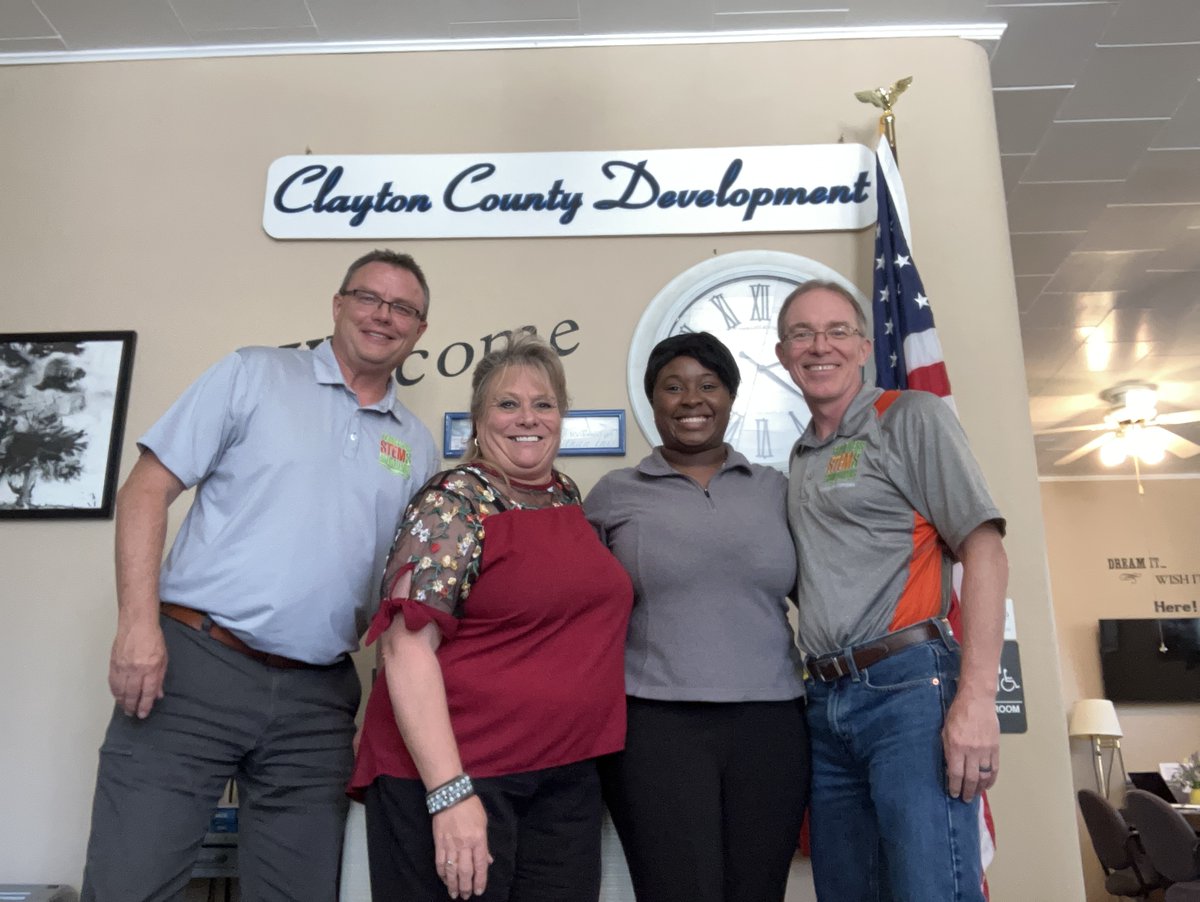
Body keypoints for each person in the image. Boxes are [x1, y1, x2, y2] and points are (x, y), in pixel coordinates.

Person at [81, 249, 438, 902]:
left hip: (318, 699)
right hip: (195, 668)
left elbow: (402, 592)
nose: (383, 315)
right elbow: (144, 491)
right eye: (369, 297)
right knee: (131, 881)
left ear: (419, 330)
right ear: (338, 304)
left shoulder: (415, 446)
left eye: (403, 308)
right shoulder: (253, 373)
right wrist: (136, 626)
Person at [350, 330, 634, 902]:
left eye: (543, 403)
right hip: (461, 775)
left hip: (563, 776)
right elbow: (404, 649)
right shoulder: (451, 502)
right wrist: (449, 793)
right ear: (478, 421)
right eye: (508, 403)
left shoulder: (564, 495)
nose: (527, 417)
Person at [774, 279, 1008, 901]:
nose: (819, 346)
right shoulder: (801, 456)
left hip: (908, 692)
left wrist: (978, 698)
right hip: (825, 701)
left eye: (837, 331)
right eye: (802, 334)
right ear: (782, 354)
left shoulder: (909, 416)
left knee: (931, 890)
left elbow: (985, 551)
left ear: (863, 347)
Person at [585, 332, 809, 902]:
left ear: (730, 397)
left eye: (708, 385)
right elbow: (577, 612)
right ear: (652, 401)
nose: (691, 400)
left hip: (771, 725)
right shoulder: (613, 495)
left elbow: (826, 593)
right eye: (673, 387)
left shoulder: (777, 491)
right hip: (656, 729)